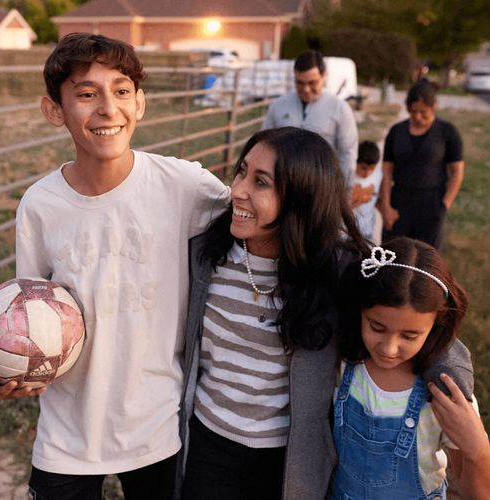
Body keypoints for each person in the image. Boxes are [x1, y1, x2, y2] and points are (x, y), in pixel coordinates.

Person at [0, 33, 229, 499]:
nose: (107, 108)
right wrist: (15, 369)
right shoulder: (40, 205)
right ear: (54, 110)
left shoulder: (183, 185)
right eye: (85, 93)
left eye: (121, 91)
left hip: (156, 429)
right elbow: (30, 316)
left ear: (140, 103)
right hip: (66, 436)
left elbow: (258, 221)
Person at [175, 128, 474, 500]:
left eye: (261, 182)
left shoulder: (338, 268)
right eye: (242, 172)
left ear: (301, 197)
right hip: (208, 445)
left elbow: (421, 324)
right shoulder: (206, 252)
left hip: (289, 459)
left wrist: (456, 395)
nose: (237, 190)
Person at [330, 238, 490, 499]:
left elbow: (478, 493)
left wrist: (478, 449)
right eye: (377, 327)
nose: (389, 348)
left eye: (410, 336)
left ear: (436, 326)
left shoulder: (445, 393)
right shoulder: (345, 364)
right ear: (359, 310)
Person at [379, 80, 464, 249]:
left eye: (423, 112)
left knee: (426, 258)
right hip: (400, 199)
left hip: (432, 201)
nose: (417, 117)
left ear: (434, 106)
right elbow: (387, 172)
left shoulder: (447, 132)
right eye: (413, 112)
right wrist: (386, 206)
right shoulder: (396, 131)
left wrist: (444, 205)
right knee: (393, 252)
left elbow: (457, 172)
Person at [262, 50, 358, 183]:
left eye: (312, 83)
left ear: (324, 76)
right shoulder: (278, 106)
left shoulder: (340, 108)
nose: (306, 89)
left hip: (323, 187)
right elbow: (265, 146)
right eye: (300, 83)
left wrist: (345, 191)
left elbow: (347, 154)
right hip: (284, 185)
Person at [350, 140, 382, 243]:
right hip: (347, 230)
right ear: (356, 162)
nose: (367, 173)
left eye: (372, 168)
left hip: (367, 230)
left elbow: (377, 198)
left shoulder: (378, 175)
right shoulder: (348, 176)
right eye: (363, 168)